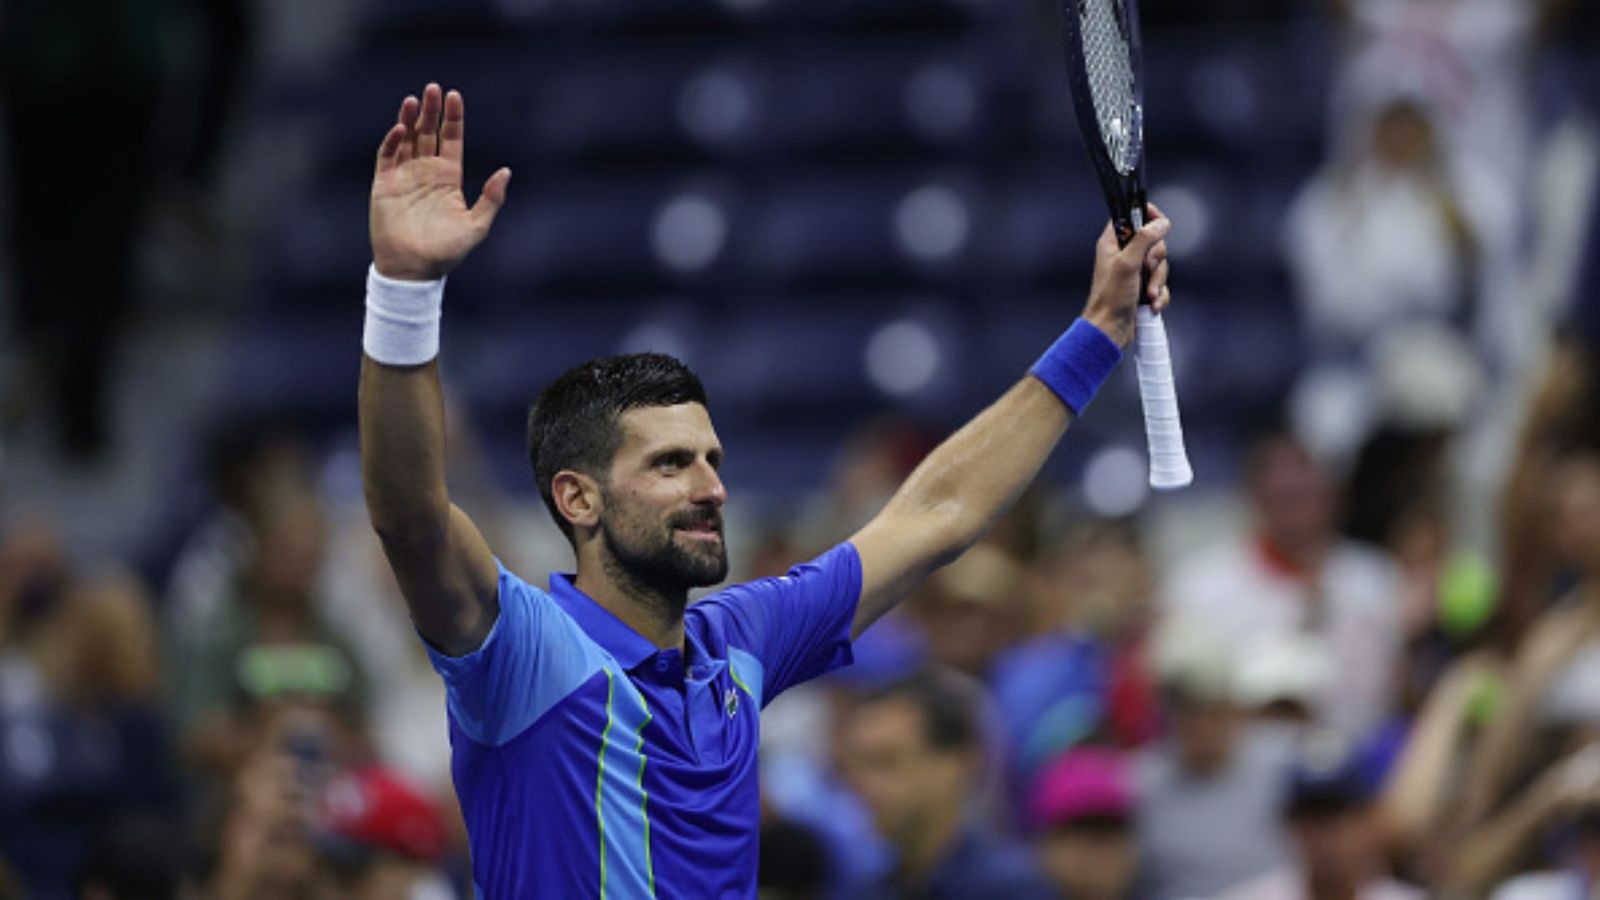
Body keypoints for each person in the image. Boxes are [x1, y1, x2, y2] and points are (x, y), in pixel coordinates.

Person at [357, 82, 1172, 897]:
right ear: (578, 500)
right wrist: (402, 289)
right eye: (671, 464)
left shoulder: (739, 640)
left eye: (712, 458)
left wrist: (1099, 330)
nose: (712, 486)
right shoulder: (523, 654)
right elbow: (412, 517)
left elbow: (937, 513)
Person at [835, 671, 1054, 899]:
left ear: (958, 762)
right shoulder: (869, 887)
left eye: (887, 761)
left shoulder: (1010, 888)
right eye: (856, 765)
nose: (861, 784)